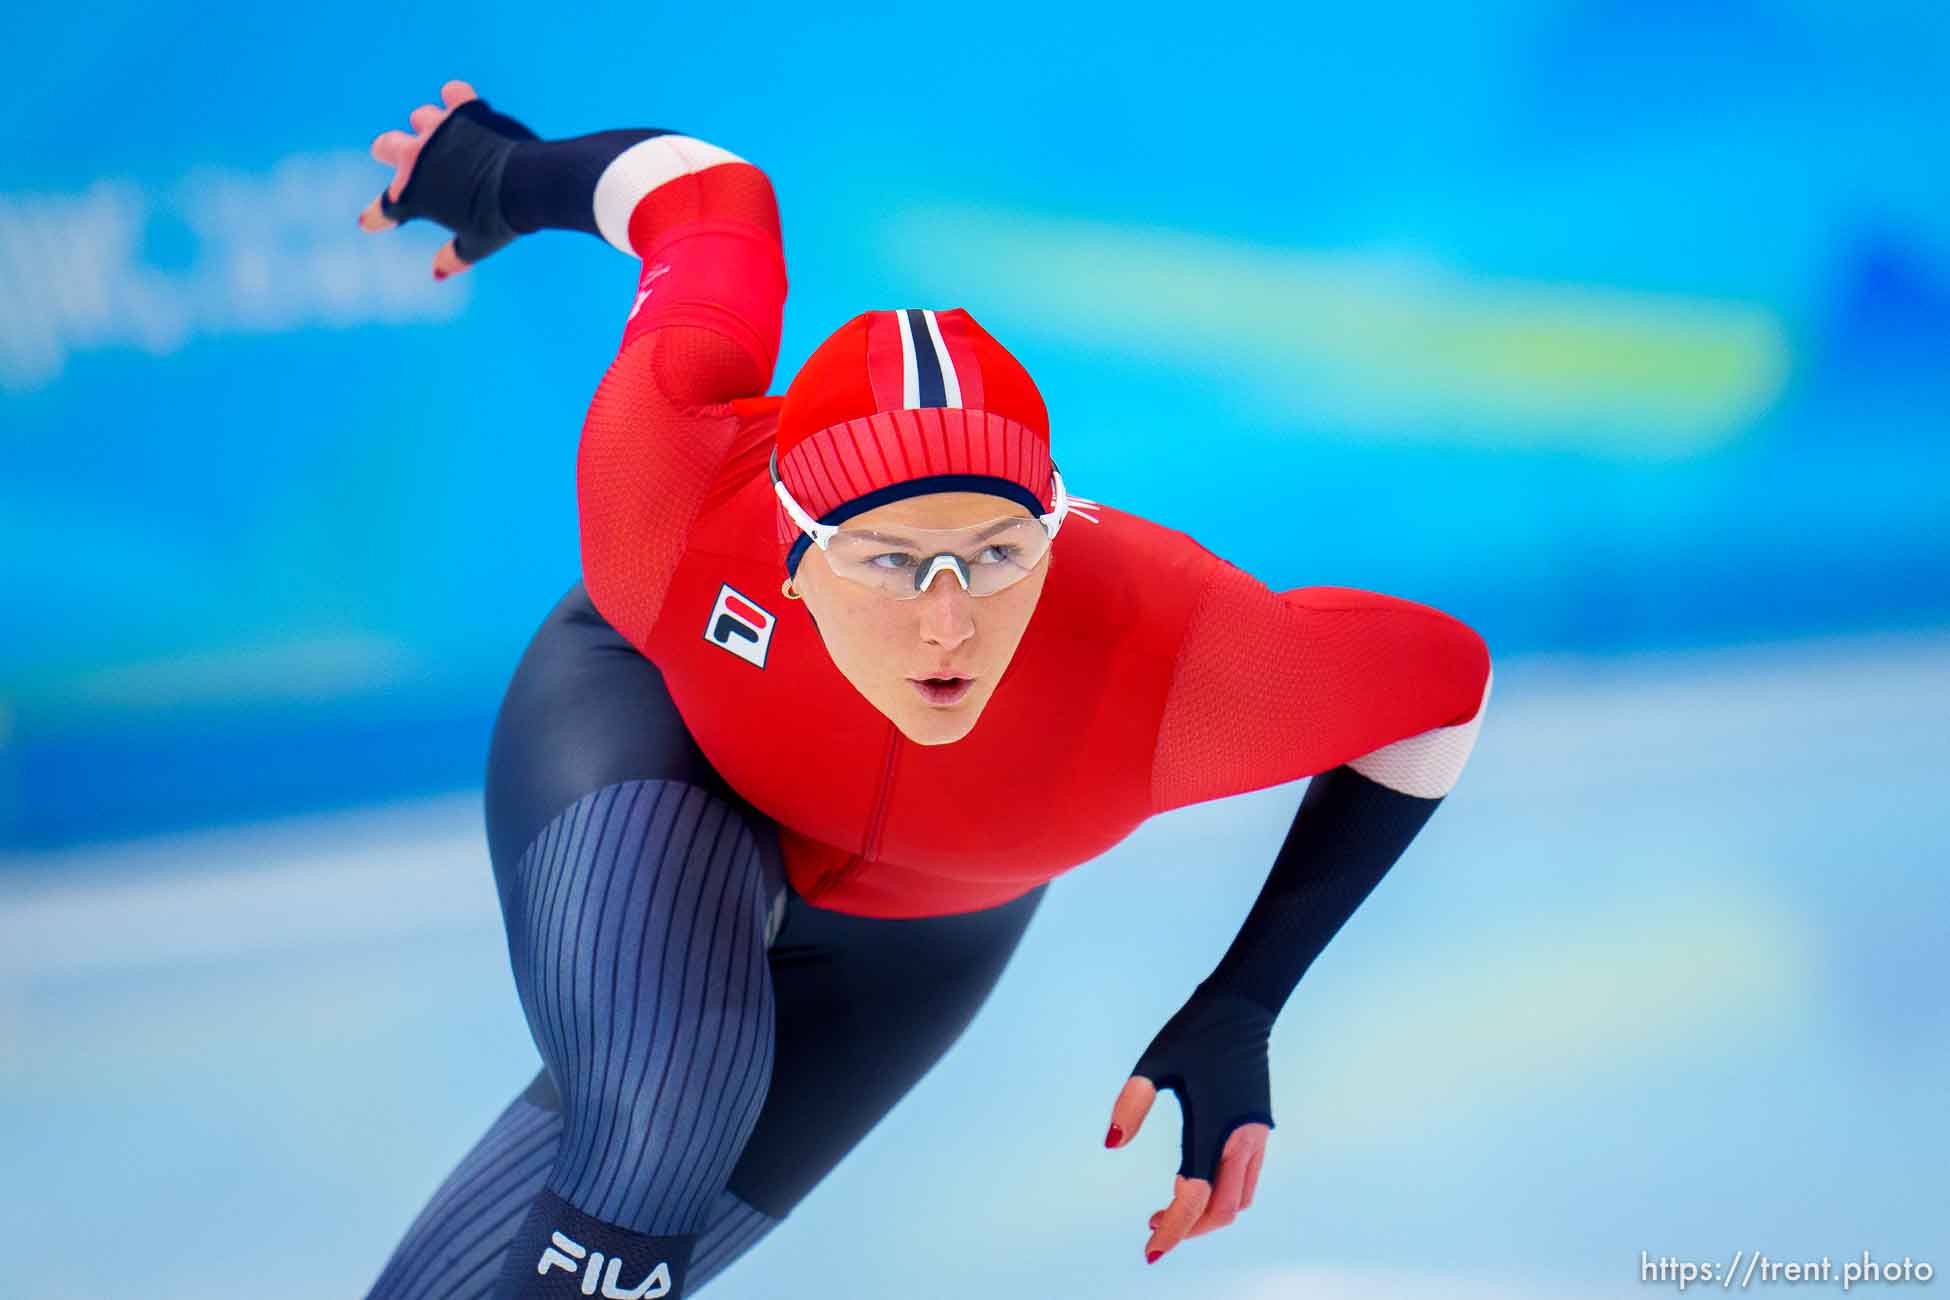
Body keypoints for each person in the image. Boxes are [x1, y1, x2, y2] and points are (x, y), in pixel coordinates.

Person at [355, 80, 1493, 1300]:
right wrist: (495, 177)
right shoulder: (670, 495)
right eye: (889, 562)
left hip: (922, 925)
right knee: (668, 1111)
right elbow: (703, 199)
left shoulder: (1172, 653)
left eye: (997, 557)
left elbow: (1442, 687)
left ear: (1053, 535)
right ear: (793, 552)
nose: (946, 623)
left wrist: (1246, 1000)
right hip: (662, 740)